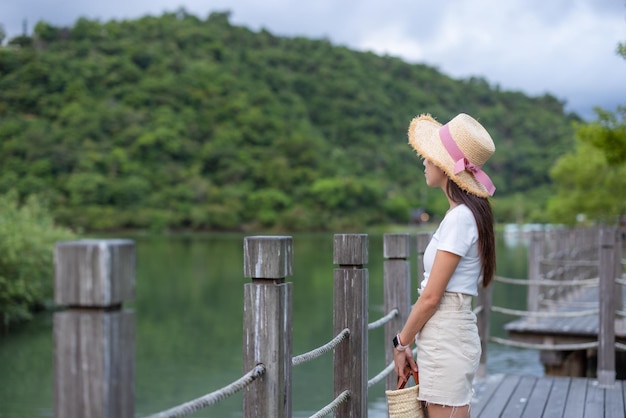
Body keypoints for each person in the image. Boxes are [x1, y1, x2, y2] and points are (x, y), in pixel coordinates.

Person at [393, 113, 497, 418]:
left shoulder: (460, 219)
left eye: (428, 157)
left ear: (444, 166)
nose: (424, 163)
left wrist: (401, 343)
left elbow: (431, 297)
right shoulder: (464, 216)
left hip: (446, 335)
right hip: (445, 333)